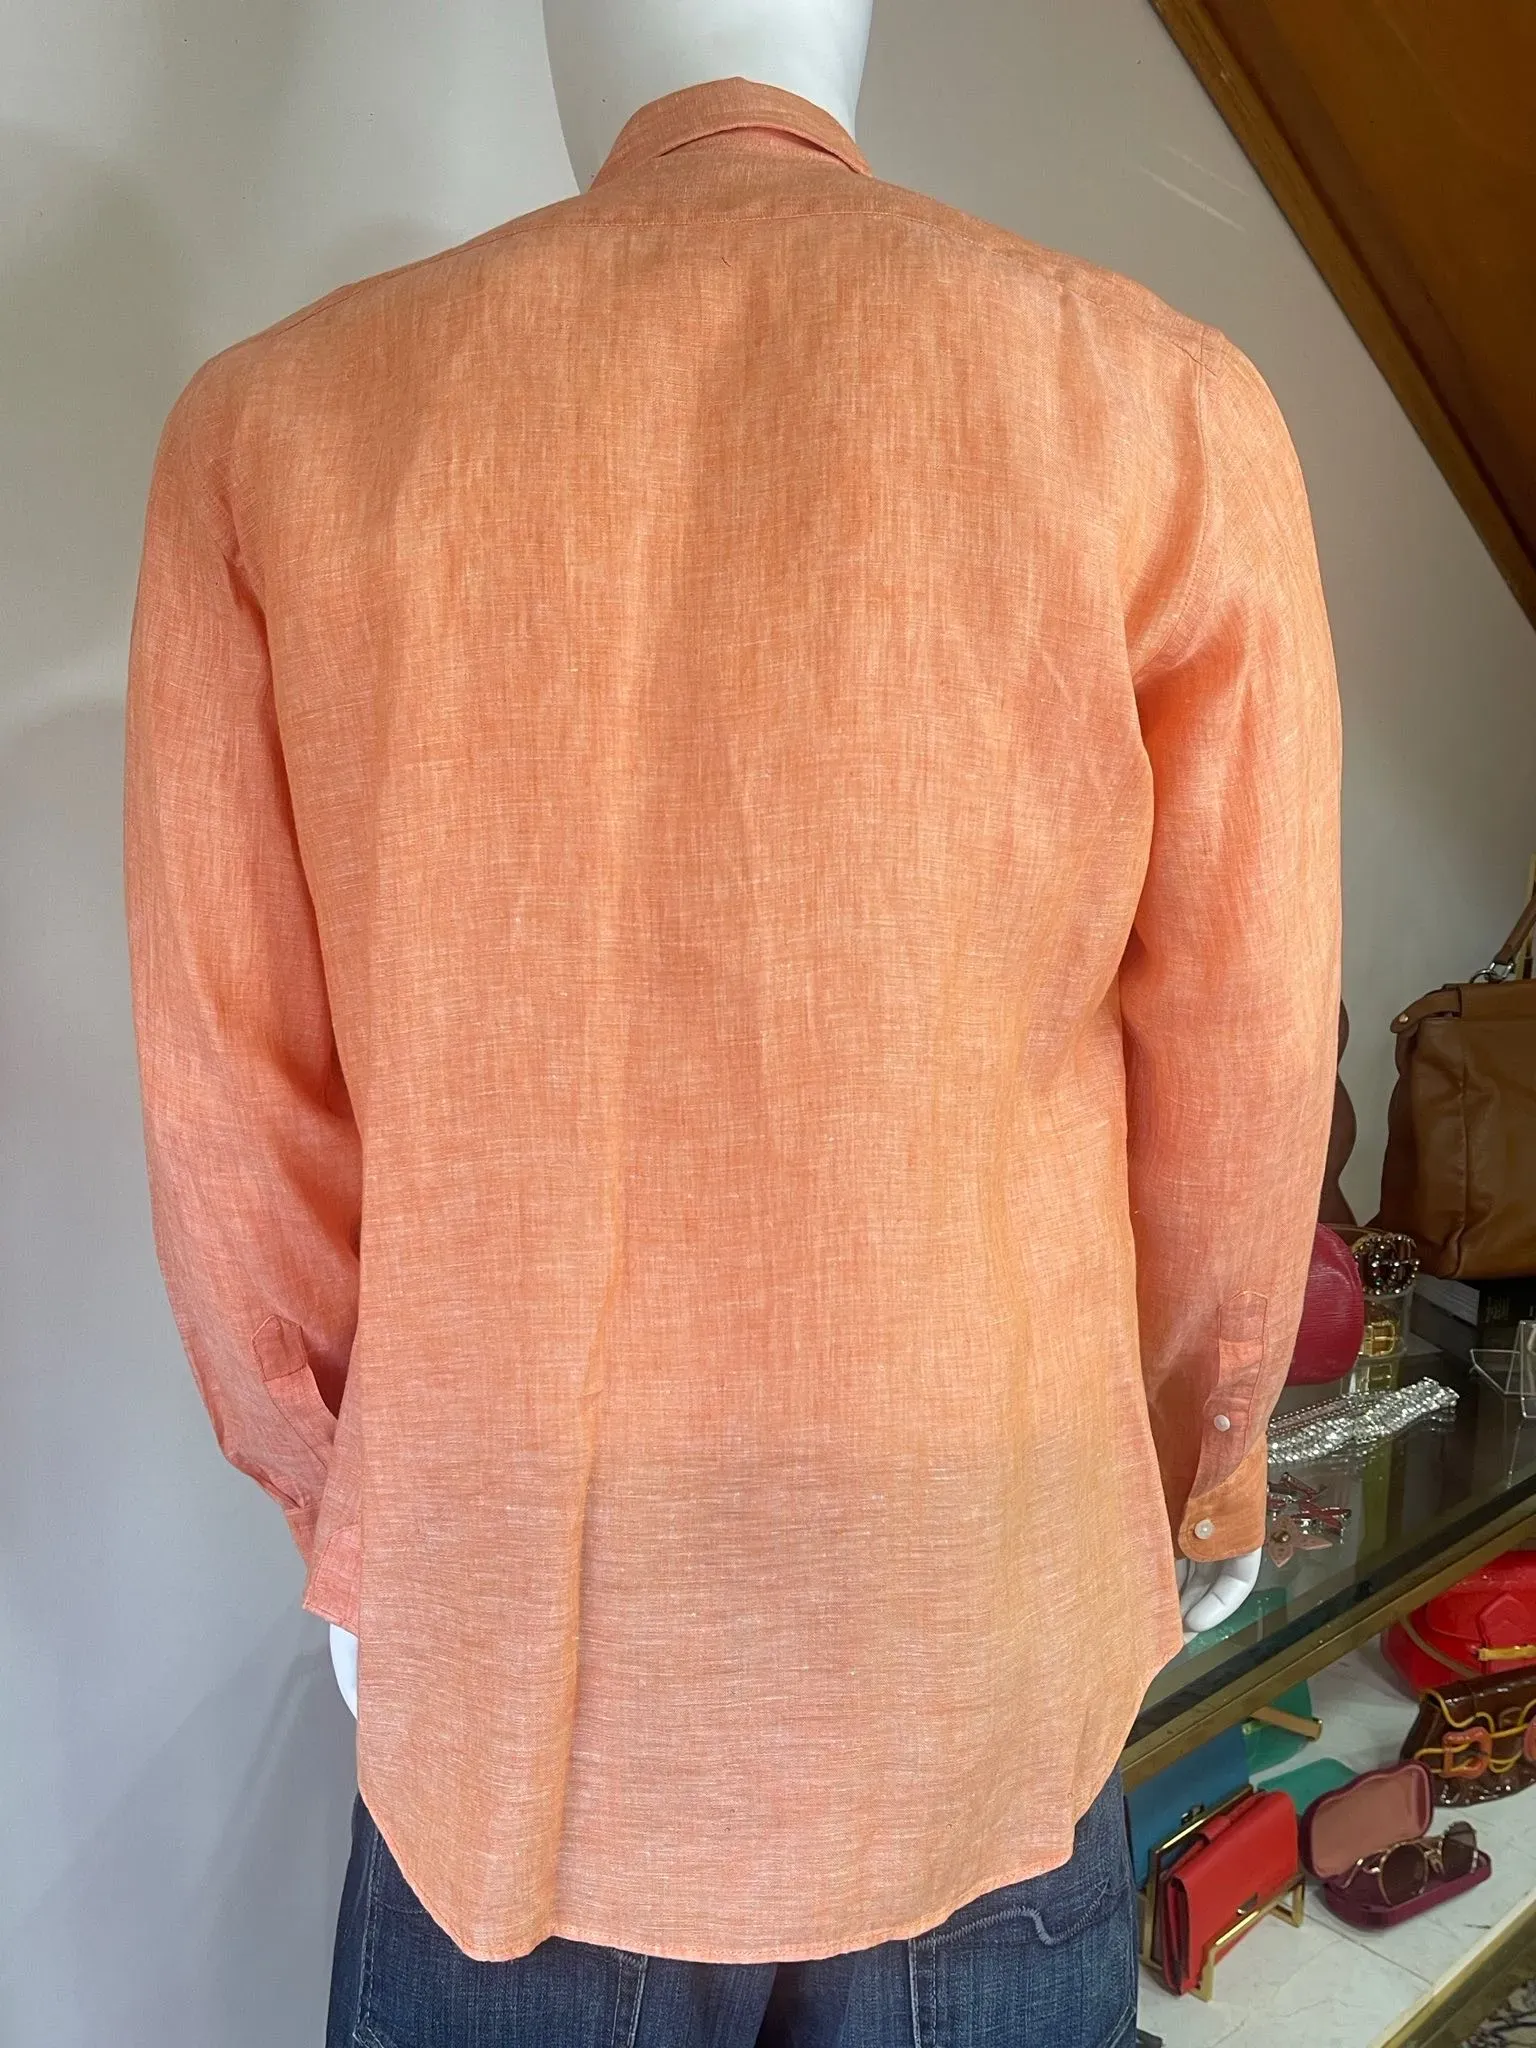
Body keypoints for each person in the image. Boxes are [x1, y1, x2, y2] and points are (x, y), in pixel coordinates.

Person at [121, 3, 1341, 2042]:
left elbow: (237, 1129)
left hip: (509, 1698)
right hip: (980, 1656)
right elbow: (1238, 1097)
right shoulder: (1158, 411)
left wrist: (369, 1525)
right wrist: (1178, 1478)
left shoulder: (280, 432)